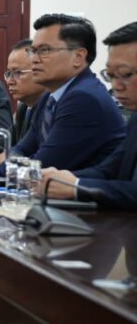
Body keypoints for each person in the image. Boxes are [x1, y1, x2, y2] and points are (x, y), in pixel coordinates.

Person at [42, 22, 137, 209]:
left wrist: (77, 187)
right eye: (110, 75)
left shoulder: (84, 98)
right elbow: (108, 170)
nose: (115, 86)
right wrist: (60, 180)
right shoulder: (135, 119)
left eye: (125, 74)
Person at [11, 14, 124, 170]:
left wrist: (5, 164)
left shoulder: (84, 99)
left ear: (78, 57)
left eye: (44, 50)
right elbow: (21, 149)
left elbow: (42, 165)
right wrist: (11, 162)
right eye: (33, 51)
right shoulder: (48, 97)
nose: (34, 60)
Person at [5, 39, 45, 141]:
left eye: (17, 73)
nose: (9, 81)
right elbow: (7, 143)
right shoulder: (23, 108)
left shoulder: (51, 109)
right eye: (9, 73)